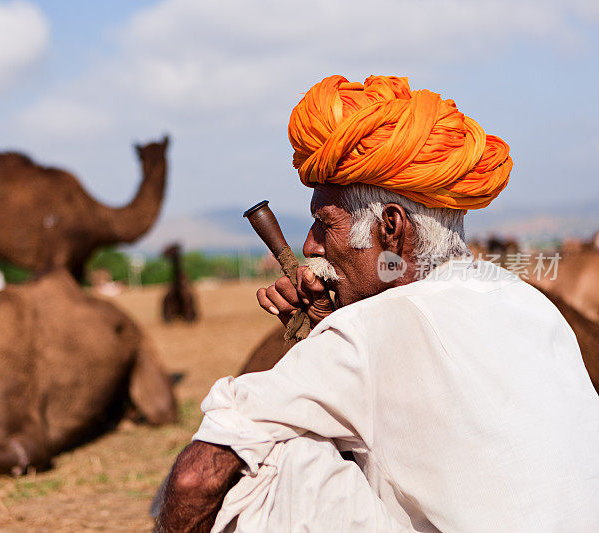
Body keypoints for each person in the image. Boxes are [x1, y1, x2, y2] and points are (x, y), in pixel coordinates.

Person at [155, 75, 599, 532]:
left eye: (325, 223)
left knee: (277, 459)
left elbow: (193, 481)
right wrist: (329, 324)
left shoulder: (371, 327)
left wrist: (334, 335)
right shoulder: (529, 301)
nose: (311, 245)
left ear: (391, 227)